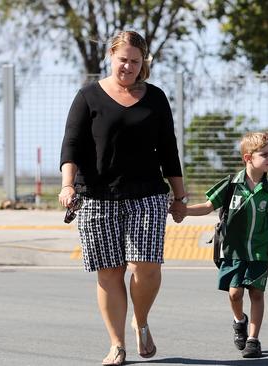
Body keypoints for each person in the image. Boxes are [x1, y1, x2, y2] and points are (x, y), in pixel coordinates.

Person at [58, 30, 187, 366]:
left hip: (147, 194)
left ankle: (140, 320)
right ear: (110, 57)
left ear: (143, 62)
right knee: (109, 271)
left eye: (135, 61)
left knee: (147, 268)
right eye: (122, 59)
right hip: (97, 196)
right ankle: (117, 344)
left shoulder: (156, 98)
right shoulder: (88, 96)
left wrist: (180, 195)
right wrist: (68, 185)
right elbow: (71, 144)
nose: (128, 66)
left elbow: (168, 150)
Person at [177, 132, 268, 358]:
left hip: (260, 251)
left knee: (257, 294)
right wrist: (185, 211)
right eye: (264, 154)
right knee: (235, 294)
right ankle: (240, 320)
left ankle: (253, 339)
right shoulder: (230, 184)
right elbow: (208, 206)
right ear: (248, 158)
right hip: (233, 250)